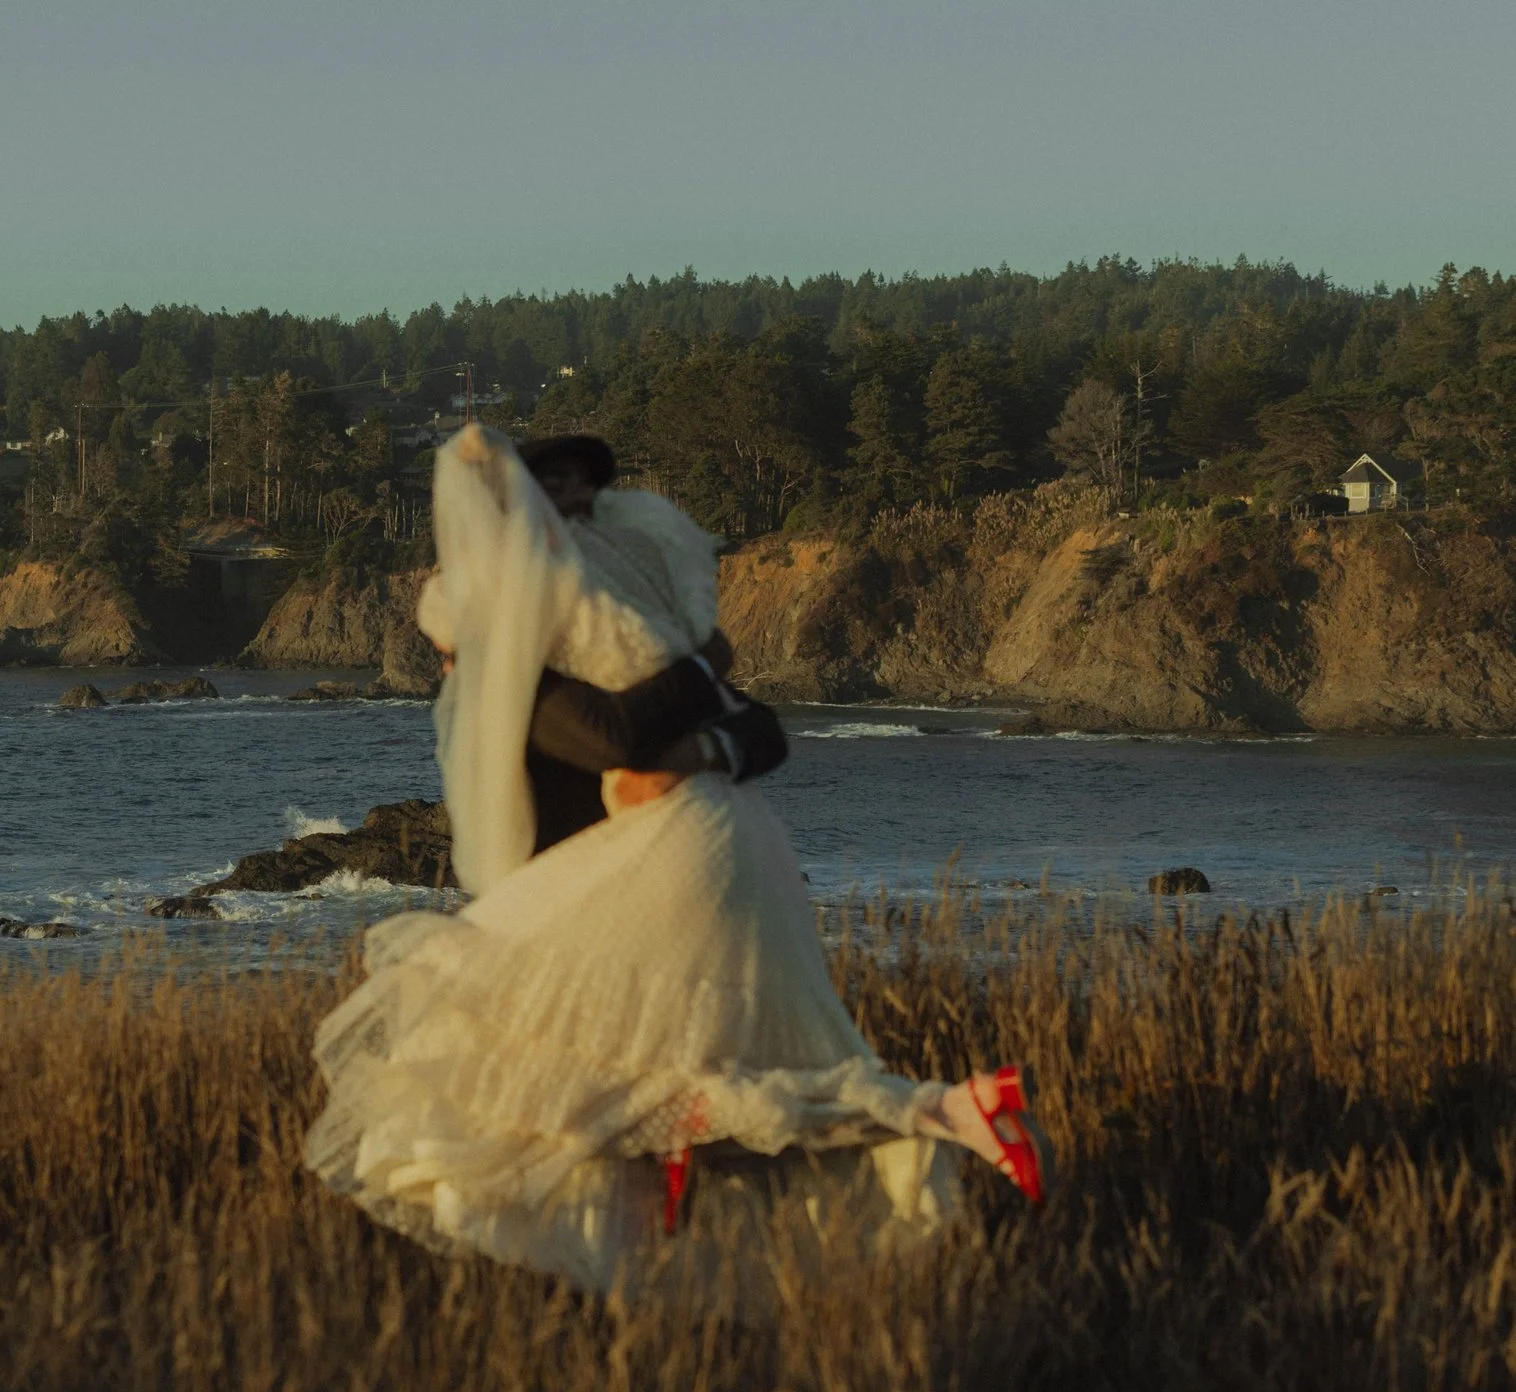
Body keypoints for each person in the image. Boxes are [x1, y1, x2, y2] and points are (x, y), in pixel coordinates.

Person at [304, 424, 1047, 1294]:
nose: (576, 506)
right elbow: (737, 722)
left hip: (652, 884)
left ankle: (926, 1117)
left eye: (584, 487)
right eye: (556, 489)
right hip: (688, 872)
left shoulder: (592, 663)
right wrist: (704, 681)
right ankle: (944, 1111)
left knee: (511, 1087)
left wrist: (693, 734)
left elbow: (661, 733)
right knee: (675, 1102)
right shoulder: (605, 651)